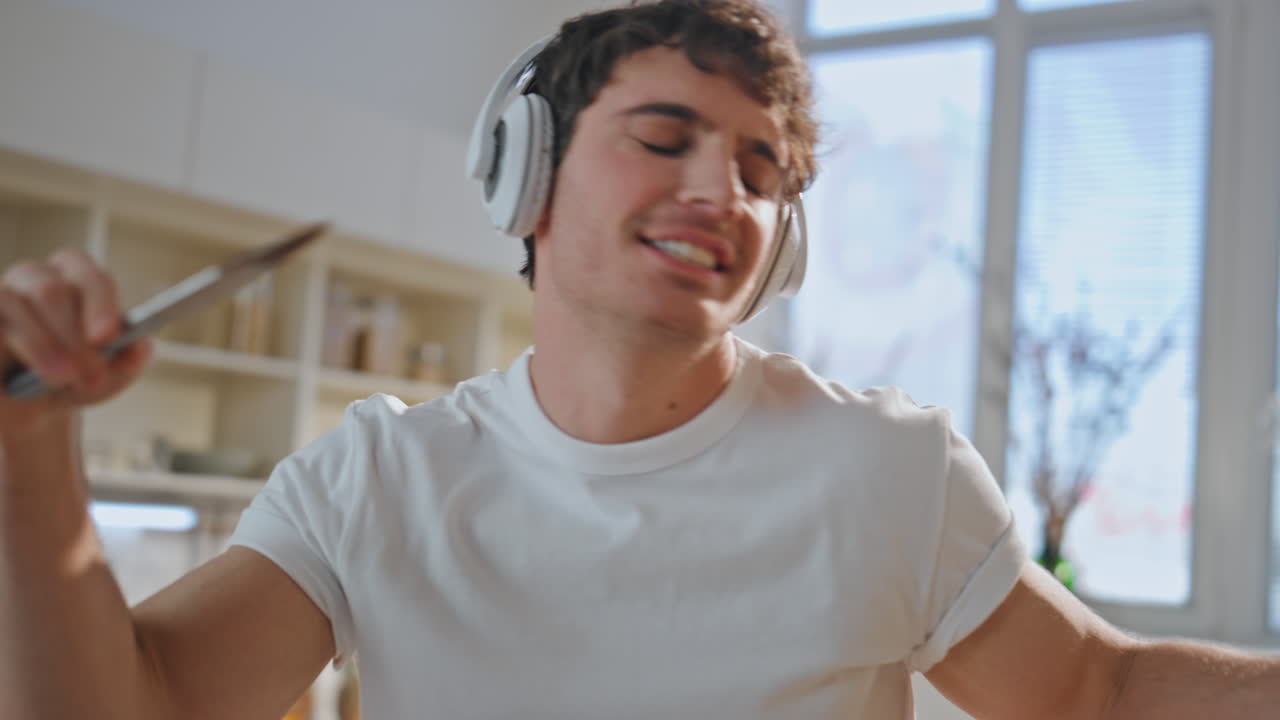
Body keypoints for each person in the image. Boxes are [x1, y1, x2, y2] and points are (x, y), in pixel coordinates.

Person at [1, 0, 1277, 718]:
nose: (720, 189)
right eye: (663, 137)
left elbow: (1094, 689)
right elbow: (127, 708)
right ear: (524, 171)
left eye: (762, 167)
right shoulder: (374, 479)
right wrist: (31, 445)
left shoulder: (885, 464)